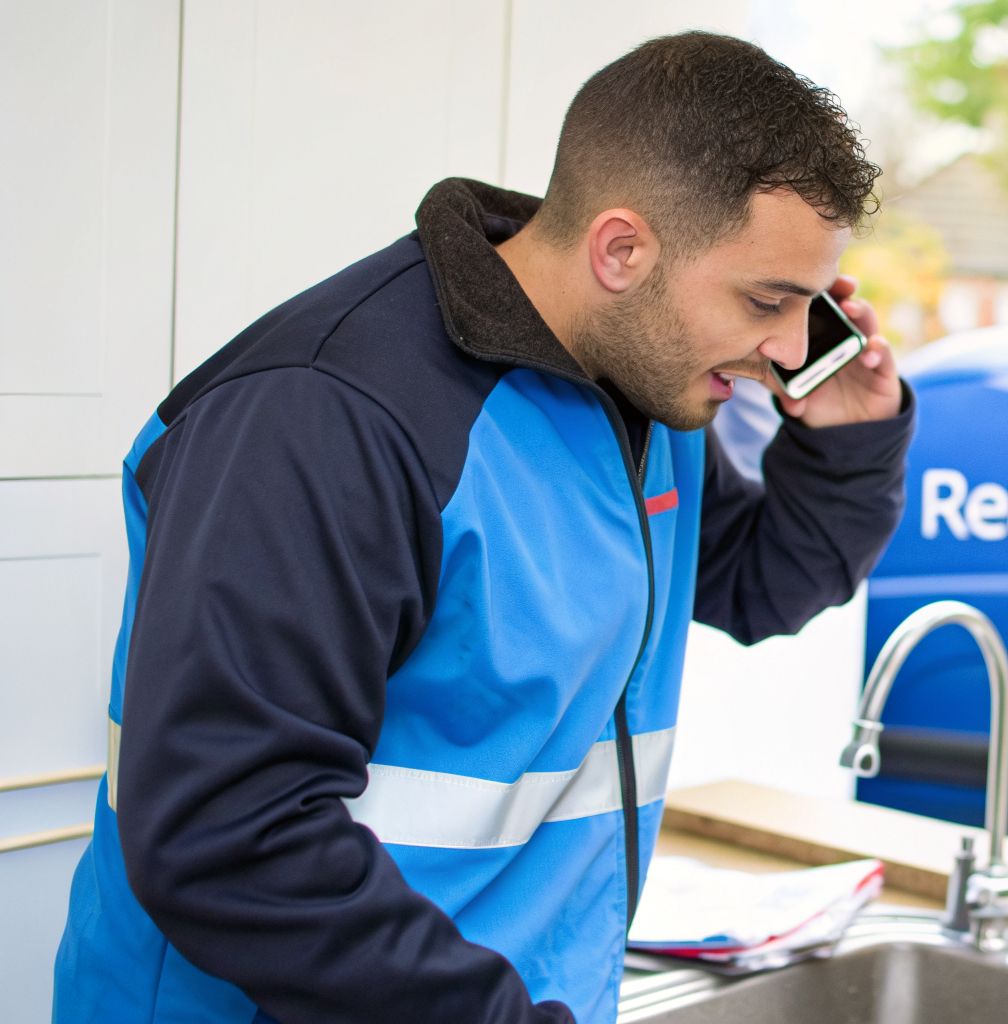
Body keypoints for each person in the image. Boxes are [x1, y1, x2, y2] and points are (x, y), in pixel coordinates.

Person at [53, 31, 911, 1024]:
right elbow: (230, 831)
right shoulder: (322, 415)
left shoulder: (642, 391)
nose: (788, 346)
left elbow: (764, 584)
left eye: (808, 304)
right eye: (769, 299)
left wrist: (849, 441)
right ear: (622, 249)